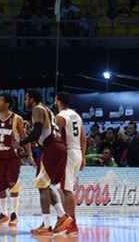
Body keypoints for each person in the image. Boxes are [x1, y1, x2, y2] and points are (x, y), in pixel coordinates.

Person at [12, 89, 72, 236]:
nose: (25, 101)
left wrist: (21, 142)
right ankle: (62, 215)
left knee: (42, 186)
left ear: (32, 99)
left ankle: (46, 226)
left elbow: (38, 132)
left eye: (26, 99)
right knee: (46, 185)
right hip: (57, 148)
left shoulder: (37, 109)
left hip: (51, 148)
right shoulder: (46, 110)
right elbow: (40, 131)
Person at [0, 92, 33, 227]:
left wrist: (29, 154)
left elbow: (26, 139)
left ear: (7, 104)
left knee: (13, 186)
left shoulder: (17, 119)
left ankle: (14, 214)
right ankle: (4, 213)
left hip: (12, 158)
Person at [55, 91, 86, 235]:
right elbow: (84, 139)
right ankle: (67, 220)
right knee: (65, 189)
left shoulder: (60, 117)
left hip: (67, 153)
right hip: (78, 152)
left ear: (58, 101)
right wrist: (83, 157)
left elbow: (56, 140)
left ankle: (72, 223)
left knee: (67, 190)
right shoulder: (76, 115)